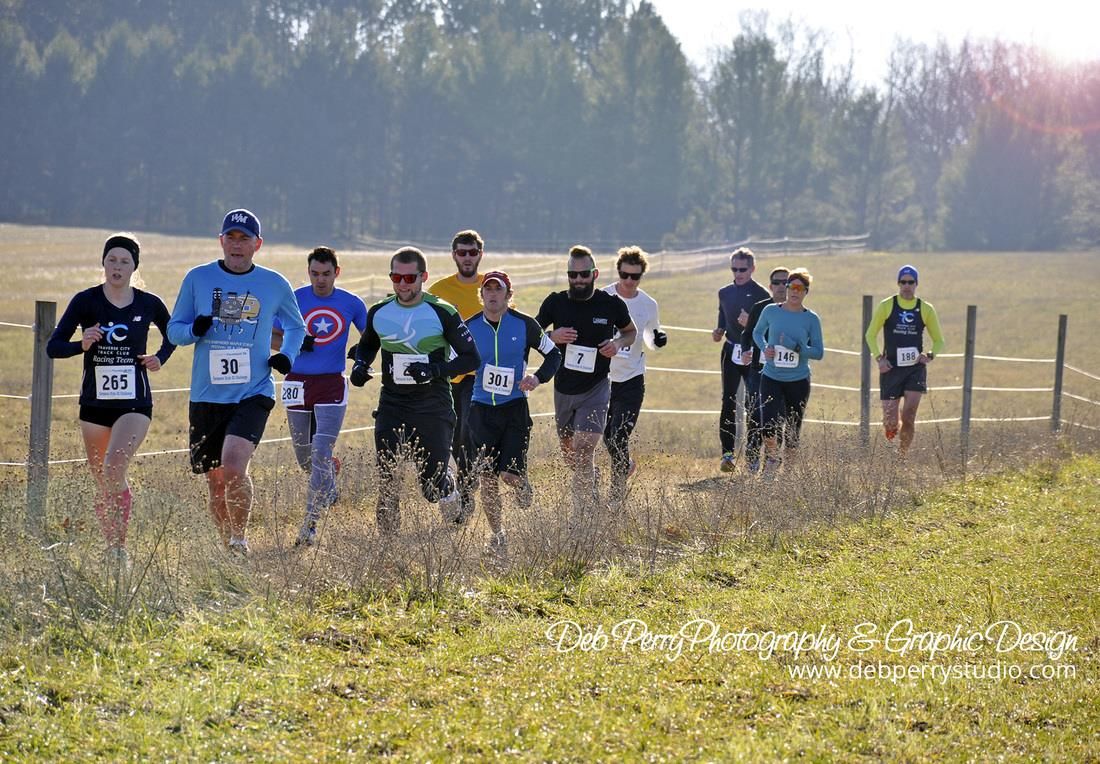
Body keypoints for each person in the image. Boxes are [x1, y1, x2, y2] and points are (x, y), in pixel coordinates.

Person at [167, 209, 306, 554]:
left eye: (245, 239)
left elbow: (296, 327)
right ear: (221, 241)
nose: (237, 245)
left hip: (254, 390)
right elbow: (174, 330)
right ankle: (226, 544)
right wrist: (192, 330)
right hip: (207, 394)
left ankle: (240, 539)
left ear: (257, 244)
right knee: (216, 482)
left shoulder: (274, 284)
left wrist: (286, 356)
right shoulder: (197, 278)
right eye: (231, 237)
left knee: (233, 466)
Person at [47, 233, 175, 569]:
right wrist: (81, 344)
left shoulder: (149, 303)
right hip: (93, 404)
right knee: (103, 480)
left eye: (125, 261)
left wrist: (160, 356)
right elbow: (53, 346)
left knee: (114, 467)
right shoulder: (86, 301)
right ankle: (111, 545)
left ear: (135, 267)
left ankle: (119, 550)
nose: (117, 266)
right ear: (103, 263)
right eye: (112, 260)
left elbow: (173, 334)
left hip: (135, 402)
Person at [350, 246, 480, 535]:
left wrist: (434, 371)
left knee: (432, 487)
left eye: (409, 279)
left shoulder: (442, 311)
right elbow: (368, 344)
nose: (402, 285)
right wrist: (360, 365)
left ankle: (453, 505)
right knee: (387, 474)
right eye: (396, 278)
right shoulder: (380, 311)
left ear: (423, 277)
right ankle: (387, 542)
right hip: (392, 403)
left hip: (432, 404)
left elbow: (472, 358)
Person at [271, 246, 367, 547]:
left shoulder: (351, 303)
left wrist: (361, 356)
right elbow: (270, 335)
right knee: (304, 456)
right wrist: (294, 342)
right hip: (297, 381)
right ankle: (330, 485)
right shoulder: (295, 299)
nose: (320, 280)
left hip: (331, 383)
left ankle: (309, 525)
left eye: (326, 274)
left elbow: (371, 337)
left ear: (336, 272)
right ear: (308, 272)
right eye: (315, 273)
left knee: (321, 450)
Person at [465, 271, 561, 557]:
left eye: (499, 290)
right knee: (487, 478)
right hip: (480, 409)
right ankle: (497, 534)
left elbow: (554, 354)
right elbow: (450, 358)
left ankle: (522, 483)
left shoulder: (525, 324)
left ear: (508, 295)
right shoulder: (468, 326)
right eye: (488, 290)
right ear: (482, 295)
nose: (493, 295)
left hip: (514, 409)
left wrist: (537, 378)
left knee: (508, 474)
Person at [536, 245, 636, 520]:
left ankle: (582, 515)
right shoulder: (555, 302)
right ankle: (591, 479)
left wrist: (617, 344)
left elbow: (630, 332)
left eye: (583, 274)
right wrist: (552, 337)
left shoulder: (611, 303)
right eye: (572, 274)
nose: (578, 280)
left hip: (596, 387)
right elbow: (533, 333)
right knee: (572, 456)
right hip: (564, 388)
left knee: (584, 447)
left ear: (595, 273)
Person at [426, 230, 486, 519]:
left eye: (472, 252)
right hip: (446, 374)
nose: (467, 257)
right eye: (461, 252)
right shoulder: (439, 290)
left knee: (466, 434)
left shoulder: (491, 286)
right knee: (446, 436)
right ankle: (455, 487)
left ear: (480, 254)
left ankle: (465, 490)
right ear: (453, 255)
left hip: (477, 375)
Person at [601, 246, 667, 499]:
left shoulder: (648, 304)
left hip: (632, 378)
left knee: (618, 436)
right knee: (607, 436)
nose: (629, 281)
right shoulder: (603, 296)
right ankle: (625, 464)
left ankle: (616, 495)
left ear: (641, 276)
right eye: (624, 275)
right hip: (603, 378)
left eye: (635, 277)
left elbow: (651, 336)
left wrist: (658, 340)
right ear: (618, 271)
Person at [864, 265, 946, 455]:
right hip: (890, 368)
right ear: (898, 283)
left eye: (911, 282)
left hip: (914, 369)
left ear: (916, 284)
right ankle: (892, 441)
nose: (907, 286)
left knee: (909, 416)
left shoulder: (925, 308)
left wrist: (930, 355)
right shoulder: (887, 305)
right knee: (890, 421)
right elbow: (870, 335)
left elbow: (939, 340)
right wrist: (879, 359)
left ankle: (902, 457)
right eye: (903, 282)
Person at [751, 268, 824, 472]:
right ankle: (773, 460)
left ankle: (789, 475)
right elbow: (757, 333)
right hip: (771, 376)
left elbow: (819, 352)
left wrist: (798, 348)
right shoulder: (771, 311)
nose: (794, 291)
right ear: (786, 287)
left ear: (806, 292)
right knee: (768, 424)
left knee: (792, 429)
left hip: (798, 380)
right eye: (791, 286)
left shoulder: (811, 319)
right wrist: (765, 348)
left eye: (800, 288)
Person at [713, 247, 770, 472]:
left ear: (752, 269)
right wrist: (718, 330)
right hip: (730, 351)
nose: (738, 273)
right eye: (734, 269)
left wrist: (752, 324)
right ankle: (727, 454)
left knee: (754, 403)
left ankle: (753, 455)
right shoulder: (724, 292)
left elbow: (766, 330)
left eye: (743, 269)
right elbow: (722, 315)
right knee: (728, 401)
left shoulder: (762, 294)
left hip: (752, 353)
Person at [740, 266, 790, 471]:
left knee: (778, 416)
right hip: (758, 371)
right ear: (770, 286)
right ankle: (752, 458)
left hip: (784, 374)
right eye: (777, 283)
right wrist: (745, 351)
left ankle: (772, 460)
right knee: (754, 414)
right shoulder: (760, 308)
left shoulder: (796, 311)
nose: (781, 287)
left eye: (786, 283)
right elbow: (747, 334)